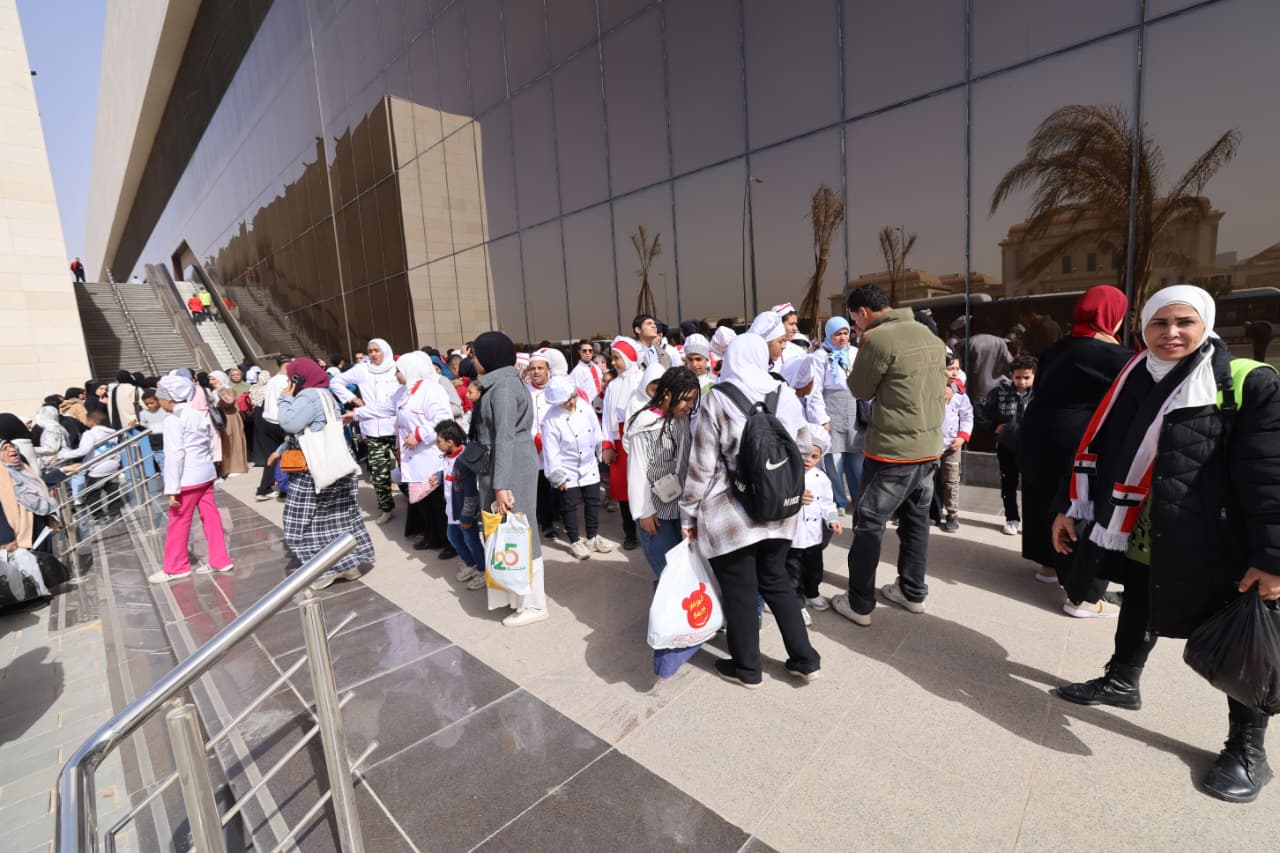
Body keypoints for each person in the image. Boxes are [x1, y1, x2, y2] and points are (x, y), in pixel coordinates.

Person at [1050, 284, 1280, 804]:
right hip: (1142, 524)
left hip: (1218, 536)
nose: (1170, 333)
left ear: (1206, 325)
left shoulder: (1246, 380)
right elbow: (1102, 447)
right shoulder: (1133, 375)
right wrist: (1070, 506)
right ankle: (1122, 680)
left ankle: (1248, 748)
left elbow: (1269, 475)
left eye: (1184, 322)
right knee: (1139, 600)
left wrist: (1272, 558)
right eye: (1159, 323)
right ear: (1142, 328)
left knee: (1243, 635)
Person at [680, 334, 821, 688]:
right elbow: (805, 448)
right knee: (776, 581)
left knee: (740, 591)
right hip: (779, 510)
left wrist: (688, 513)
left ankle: (747, 668)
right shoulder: (783, 393)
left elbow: (702, 465)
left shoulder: (717, 397)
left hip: (732, 514)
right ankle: (805, 660)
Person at [831, 283, 946, 627]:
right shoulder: (929, 335)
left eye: (854, 319)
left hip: (893, 452)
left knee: (869, 523)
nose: (855, 326)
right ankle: (912, 591)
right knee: (916, 522)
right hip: (929, 447)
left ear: (863, 311)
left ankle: (859, 603)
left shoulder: (878, 338)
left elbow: (859, 388)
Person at [1018, 285, 1132, 617]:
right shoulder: (1114, 355)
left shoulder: (1057, 348)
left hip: (1036, 433)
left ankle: (1049, 566)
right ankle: (1082, 597)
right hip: (1075, 441)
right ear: (1113, 315)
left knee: (1043, 498)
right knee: (1078, 506)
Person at [270, 358, 376, 589]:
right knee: (337, 518)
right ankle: (348, 565)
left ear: (299, 378)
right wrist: (280, 450)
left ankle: (324, 570)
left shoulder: (308, 396)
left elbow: (289, 424)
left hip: (313, 471)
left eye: (291, 378)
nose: (289, 383)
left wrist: (285, 398)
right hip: (334, 465)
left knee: (304, 521)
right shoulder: (326, 394)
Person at [468, 331, 548, 626]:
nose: (473, 360)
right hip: (505, 464)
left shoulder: (502, 388)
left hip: (510, 467)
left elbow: (504, 438)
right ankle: (517, 597)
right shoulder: (500, 383)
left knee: (521, 532)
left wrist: (501, 485)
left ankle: (534, 604)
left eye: (476, 354)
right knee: (510, 532)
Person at [626, 367, 701, 678]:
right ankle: (669, 642)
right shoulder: (645, 423)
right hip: (655, 513)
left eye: (694, 400)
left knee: (680, 572)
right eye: (686, 399)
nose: (690, 405)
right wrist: (644, 512)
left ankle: (684, 626)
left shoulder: (680, 419)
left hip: (679, 508)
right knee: (668, 575)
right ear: (667, 394)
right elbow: (638, 470)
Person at [350, 351, 454, 555]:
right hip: (413, 458)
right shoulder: (403, 392)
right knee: (423, 502)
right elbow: (383, 408)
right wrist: (356, 414)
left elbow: (443, 420)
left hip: (431, 456)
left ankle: (449, 543)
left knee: (437, 502)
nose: (395, 374)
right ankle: (432, 537)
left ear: (410, 370)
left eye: (398, 370)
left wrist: (420, 435)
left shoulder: (432, 390)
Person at [149, 376, 232, 583]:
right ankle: (220, 560)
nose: (159, 402)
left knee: (178, 522)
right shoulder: (197, 414)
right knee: (211, 517)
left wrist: (172, 488)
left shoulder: (173, 420)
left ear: (169, 399)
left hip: (187, 478)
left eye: (160, 398)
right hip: (205, 474)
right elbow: (208, 444)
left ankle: (176, 567)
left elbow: (174, 456)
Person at [329, 338, 400, 524]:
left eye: (377, 350)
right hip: (372, 428)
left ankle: (415, 505)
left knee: (404, 470)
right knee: (379, 473)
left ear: (385, 350)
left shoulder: (396, 368)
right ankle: (386, 508)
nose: (373, 354)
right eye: (370, 351)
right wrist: (354, 400)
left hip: (396, 428)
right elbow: (336, 382)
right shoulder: (362, 369)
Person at [541, 376, 612, 560]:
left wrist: (601, 452)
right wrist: (557, 476)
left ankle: (592, 537)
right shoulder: (551, 419)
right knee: (569, 505)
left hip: (589, 464)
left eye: (573, 397)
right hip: (567, 467)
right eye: (567, 400)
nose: (572, 401)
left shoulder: (584, 406)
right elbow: (550, 451)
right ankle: (574, 541)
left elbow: (596, 430)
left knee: (593, 501)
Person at [807, 317, 864, 514]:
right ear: (829, 335)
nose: (843, 337)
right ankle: (839, 500)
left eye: (846, 333)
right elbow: (815, 390)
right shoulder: (820, 356)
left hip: (854, 411)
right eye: (837, 334)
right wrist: (822, 418)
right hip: (831, 410)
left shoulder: (856, 353)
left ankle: (859, 499)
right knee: (834, 461)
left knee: (857, 459)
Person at [787, 427, 841, 623]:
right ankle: (796, 605)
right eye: (804, 454)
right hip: (792, 537)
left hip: (814, 536)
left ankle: (812, 593)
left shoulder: (822, 478)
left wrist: (833, 519)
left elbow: (827, 503)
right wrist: (795, 498)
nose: (808, 460)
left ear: (821, 457)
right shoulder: (787, 475)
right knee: (792, 573)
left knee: (814, 568)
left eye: (814, 456)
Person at [979, 355, 1036, 536]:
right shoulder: (1000, 392)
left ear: (1034, 376)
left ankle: (1032, 522)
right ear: (1011, 375)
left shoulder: (1041, 394)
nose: (1022, 381)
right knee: (1008, 484)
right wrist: (992, 426)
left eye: (1026, 377)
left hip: (1032, 448)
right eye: (1018, 377)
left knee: (1032, 486)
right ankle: (1011, 519)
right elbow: (979, 407)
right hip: (1007, 446)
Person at [433, 420, 486, 590]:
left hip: (463, 512)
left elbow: (471, 493)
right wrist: (438, 477)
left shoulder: (464, 461)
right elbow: (448, 473)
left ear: (450, 442)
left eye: (439, 441)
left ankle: (483, 571)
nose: (436, 444)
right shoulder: (448, 456)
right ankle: (471, 564)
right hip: (452, 510)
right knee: (453, 538)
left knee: (471, 540)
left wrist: (467, 517)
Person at [601, 337, 643, 551]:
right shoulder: (613, 385)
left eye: (617, 358)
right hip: (619, 444)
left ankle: (647, 530)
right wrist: (607, 445)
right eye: (613, 358)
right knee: (624, 492)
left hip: (641, 443)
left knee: (642, 488)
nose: (613, 362)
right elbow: (606, 417)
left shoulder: (642, 380)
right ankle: (630, 533)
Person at [58, 410, 124, 520]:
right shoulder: (112, 432)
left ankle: (98, 516)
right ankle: (115, 513)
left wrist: (62, 455)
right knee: (113, 491)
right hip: (113, 465)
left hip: (97, 468)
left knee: (92, 494)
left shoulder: (89, 434)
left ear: (91, 421)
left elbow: (83, 450)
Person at [934, 354, 973, 532]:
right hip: (931, 443)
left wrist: (962, 437)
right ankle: (931, 512)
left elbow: (967, 416)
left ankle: (952, 514)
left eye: (957, 368)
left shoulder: (960, 393)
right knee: (929, 479)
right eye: (950, 369)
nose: (955, 373)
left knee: (951, 480)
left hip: (952, 444)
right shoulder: (929, 388)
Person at [253, 357, 292, 500]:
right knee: (287, 454)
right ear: (287, 365)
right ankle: (284, 488)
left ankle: (264, 489)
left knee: (273, 456)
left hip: (268, 421)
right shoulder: (285, 381)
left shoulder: (272, 380)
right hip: (281, 422)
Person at [208, 371, 249, 477]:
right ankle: (227, 468)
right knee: (225, 442)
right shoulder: (215, 390)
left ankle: (236, 467)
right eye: (210, 379)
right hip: (221, 417)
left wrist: (221, 391)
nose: (211, 382)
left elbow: (229, 401)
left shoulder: (226, 389)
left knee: (233, 441)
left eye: (213, 379)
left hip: (230, 417)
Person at [137, 389, 170, 470]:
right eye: (146, 404)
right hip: (155, 443)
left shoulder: (166, 410)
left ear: (158, 400)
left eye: (152, 403)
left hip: (168, 439)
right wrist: (136, 426)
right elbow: (143, 428)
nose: (149, 405)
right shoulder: (143, 413)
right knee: (162, 464)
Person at [570, 340, 605, 414]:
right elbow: (577, 394)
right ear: (579, 352)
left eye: (590, 350)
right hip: (589, 409)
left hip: (602, 406)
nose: (587, 353)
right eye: (584, 351)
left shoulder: (596, 367)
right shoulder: (577, 371)